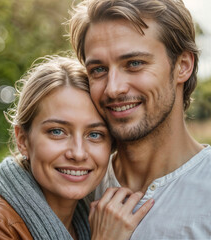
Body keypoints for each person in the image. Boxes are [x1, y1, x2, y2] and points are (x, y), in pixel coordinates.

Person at [0, 56, 154, 240]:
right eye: (57, 131)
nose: (78, 153)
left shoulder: (92, 222)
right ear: (23, 141)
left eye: (95, 134)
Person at [68, 0, 211, 239]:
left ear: (182, 66)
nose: (113, 89)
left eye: (134, 64)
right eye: (99, 70)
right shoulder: (73, 185)